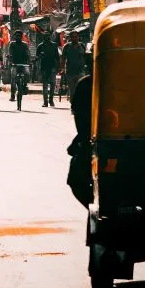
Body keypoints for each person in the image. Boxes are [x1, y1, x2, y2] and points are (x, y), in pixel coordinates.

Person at [67, 46, 94, 208]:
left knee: (75, 179)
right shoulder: (85, 84)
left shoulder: (85, 84)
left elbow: (78, 116)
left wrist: (83, 140)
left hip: (91, 139)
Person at [36, 32, 61, 108]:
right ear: (43, 37)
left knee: (53, 84)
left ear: (50, 36)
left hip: (52, 66)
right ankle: (45, 102)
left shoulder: (54, 45)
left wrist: (59, 66)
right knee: (45, 85)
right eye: (45, 36)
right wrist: (40, 56)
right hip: (44, 67)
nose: (46, 37)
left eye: (48, 36)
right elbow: (37, 58)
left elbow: (57, 56)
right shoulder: (40, 46)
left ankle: (51, 100)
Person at [7, 29, 31, 103]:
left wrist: (29, 61)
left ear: (21, 37)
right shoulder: (12, 44)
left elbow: (28, 54)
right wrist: (10, 60)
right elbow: (10, 53)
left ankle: (25, 86)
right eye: (16, 35)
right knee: (13, 78)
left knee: (27, 73)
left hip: (23, 64)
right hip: (15, 64)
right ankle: (12, 95)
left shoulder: (25, 44)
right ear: (15, 36)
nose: (18, 37)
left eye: (19, 35)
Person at [62, 32, 86, 103]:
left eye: (76, 37)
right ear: (70, 38)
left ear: (78, 37)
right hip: (70, 72)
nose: (75, 38)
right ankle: (73, 106)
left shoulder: (82, 45)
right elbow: (63, 58)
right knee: (72, 90)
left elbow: (85, 56)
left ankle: (79, 106)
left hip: (81, 71)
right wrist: (62, 68)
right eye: (73, 37)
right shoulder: (67, 46)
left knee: (81, 89)